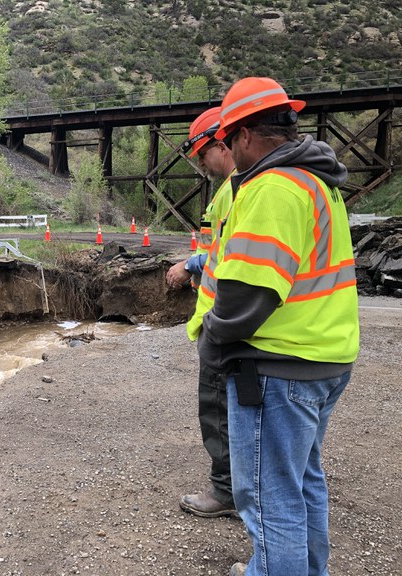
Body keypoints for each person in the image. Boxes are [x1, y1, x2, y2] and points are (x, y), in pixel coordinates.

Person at [195, 77, 359, 576]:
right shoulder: (314, 180)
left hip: (279, 368)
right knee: (301, 484)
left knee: (268, 501)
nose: (226, 151)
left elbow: (246, 297)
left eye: (226, 139)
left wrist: (212, 339)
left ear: (244, 135)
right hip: (323, 355)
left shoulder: (272, 188)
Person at [167, 107, 239, 519]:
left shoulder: (235, 188)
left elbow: (225, 254)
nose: (200, 164)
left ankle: (226, 492)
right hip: (225, 317)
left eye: (201, 154)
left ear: (223, 143)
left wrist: (189, 265)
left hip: (223, 321)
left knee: (217, 410)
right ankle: (240, 489)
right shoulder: (243, 185)